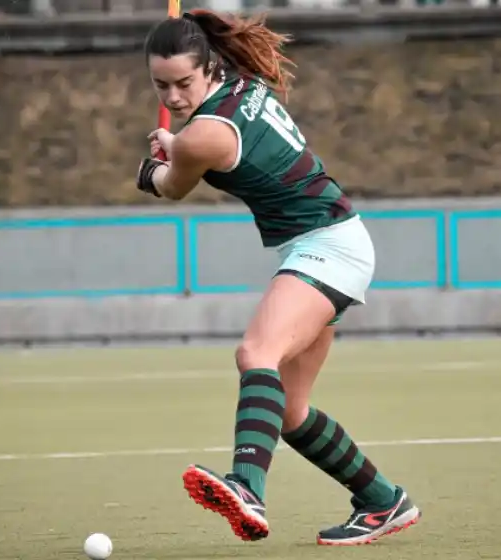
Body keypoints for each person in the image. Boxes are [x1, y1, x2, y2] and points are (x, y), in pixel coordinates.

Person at [135, 9, 421, 546]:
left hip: (325, 247)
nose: (172, 96)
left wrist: (153, 171)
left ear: (207, 69)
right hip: (338, 238)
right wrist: (177, 147)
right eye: (160, 85)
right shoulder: (240, 83)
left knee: (255, 353)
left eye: (183, 83)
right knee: (290, 412)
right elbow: (203, 143)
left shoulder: (202, 136)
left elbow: (176, 185)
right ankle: (384, 501)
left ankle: (246, 485)